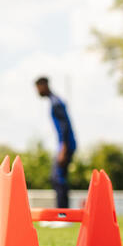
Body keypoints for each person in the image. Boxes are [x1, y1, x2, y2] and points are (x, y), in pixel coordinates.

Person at [35, 77, 76, 208]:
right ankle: (62, 213)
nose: (37, 91)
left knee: (57, 178)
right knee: (58, 178)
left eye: (38, 88)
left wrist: (63, 149)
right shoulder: (55, 101)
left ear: (44, 85)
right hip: (65, 144)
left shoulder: (56, 103)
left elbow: (64, 127)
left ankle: (63, 214)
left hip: (66, 144)